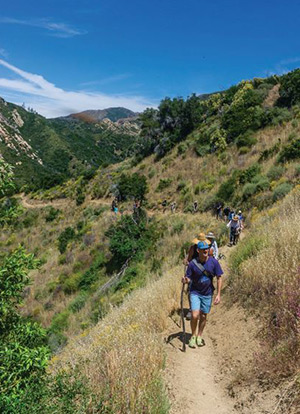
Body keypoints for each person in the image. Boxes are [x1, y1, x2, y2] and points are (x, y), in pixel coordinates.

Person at [182, 240, 223, 348]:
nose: (205, 250)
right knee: (195, 315)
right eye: (203, 249)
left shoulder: (214, 262)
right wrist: (185, 280)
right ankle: (193, 336)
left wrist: (218, 294)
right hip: (195, 292)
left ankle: (199, 335)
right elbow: (188, 278)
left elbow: (219, 278)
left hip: (207, 293)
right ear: (198, 250)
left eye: (207, 248)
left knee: (204, 315)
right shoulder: (192, 264)